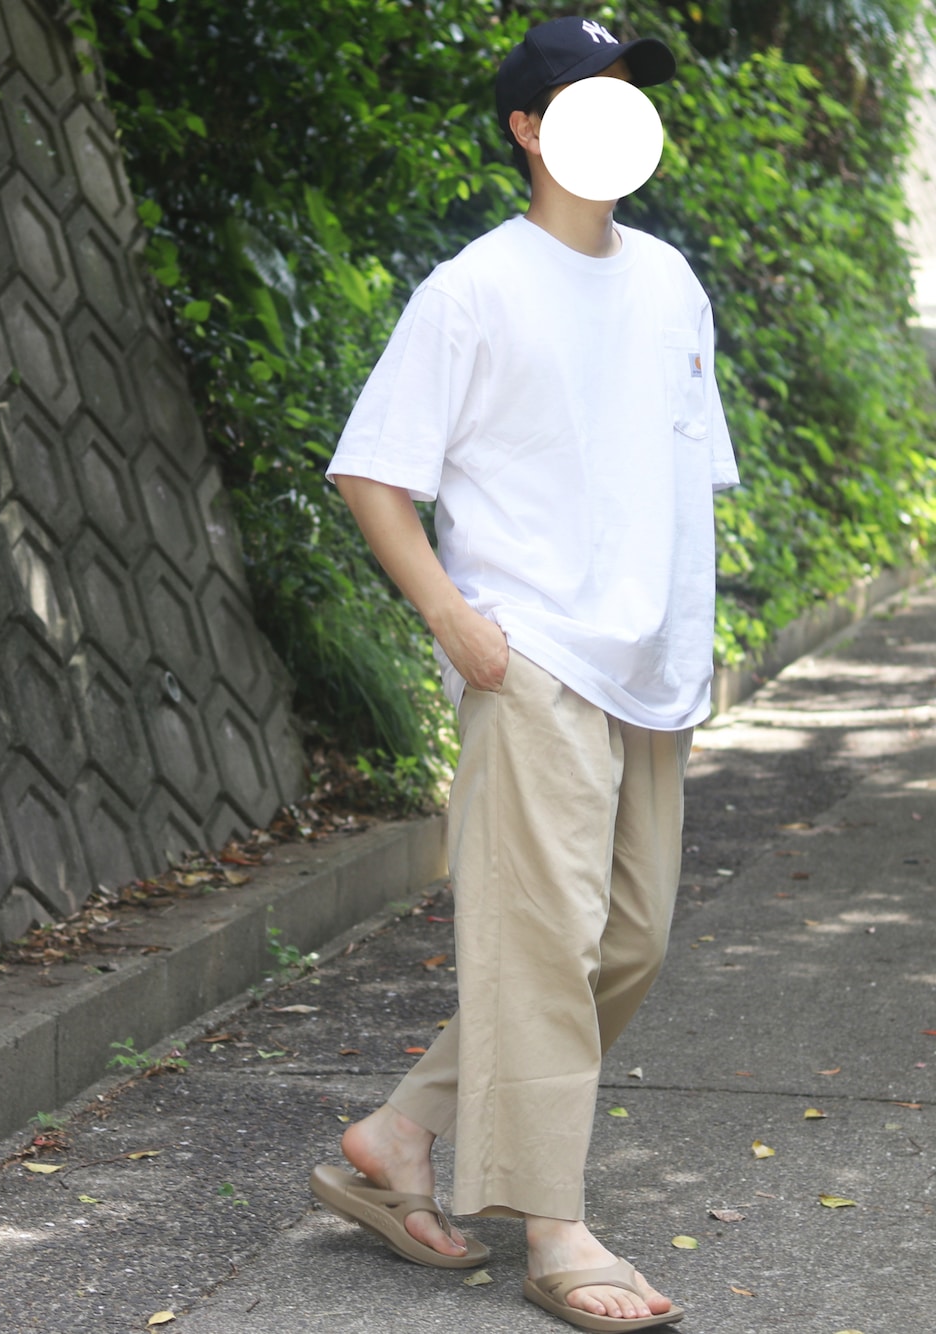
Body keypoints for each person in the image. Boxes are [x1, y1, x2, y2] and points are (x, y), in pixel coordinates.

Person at [311, 15, 738, 1331]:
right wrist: (451, 617)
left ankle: (399, 1132)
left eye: (630, 94)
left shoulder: (670, 282)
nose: (620, 111)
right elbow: (371, 471)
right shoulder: (475, 289)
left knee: (631, 941)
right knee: (549, 948)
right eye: (590, 94)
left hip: (646, 670)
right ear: (528, 129)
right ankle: (557, 1233)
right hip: (531, 652)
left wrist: (690, 634)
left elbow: (683, 476)